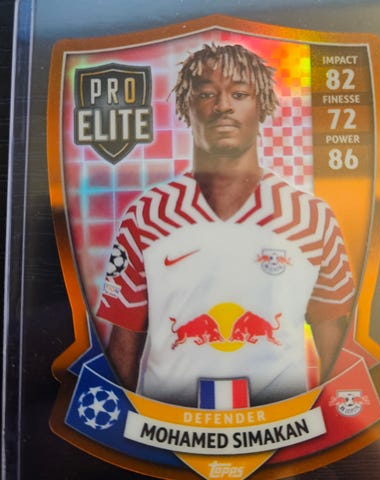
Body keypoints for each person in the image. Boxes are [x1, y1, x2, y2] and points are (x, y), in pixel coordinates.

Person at [96, 43, 355, 407]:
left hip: (284, 424)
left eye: (239, 94)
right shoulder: (147, 215)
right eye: (206, 94)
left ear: (262, 105)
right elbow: (122, 345)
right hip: (168, 425)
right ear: (186, 107)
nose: (223, 106)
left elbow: (336, 346)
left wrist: (330, 427)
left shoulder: (311, 216)